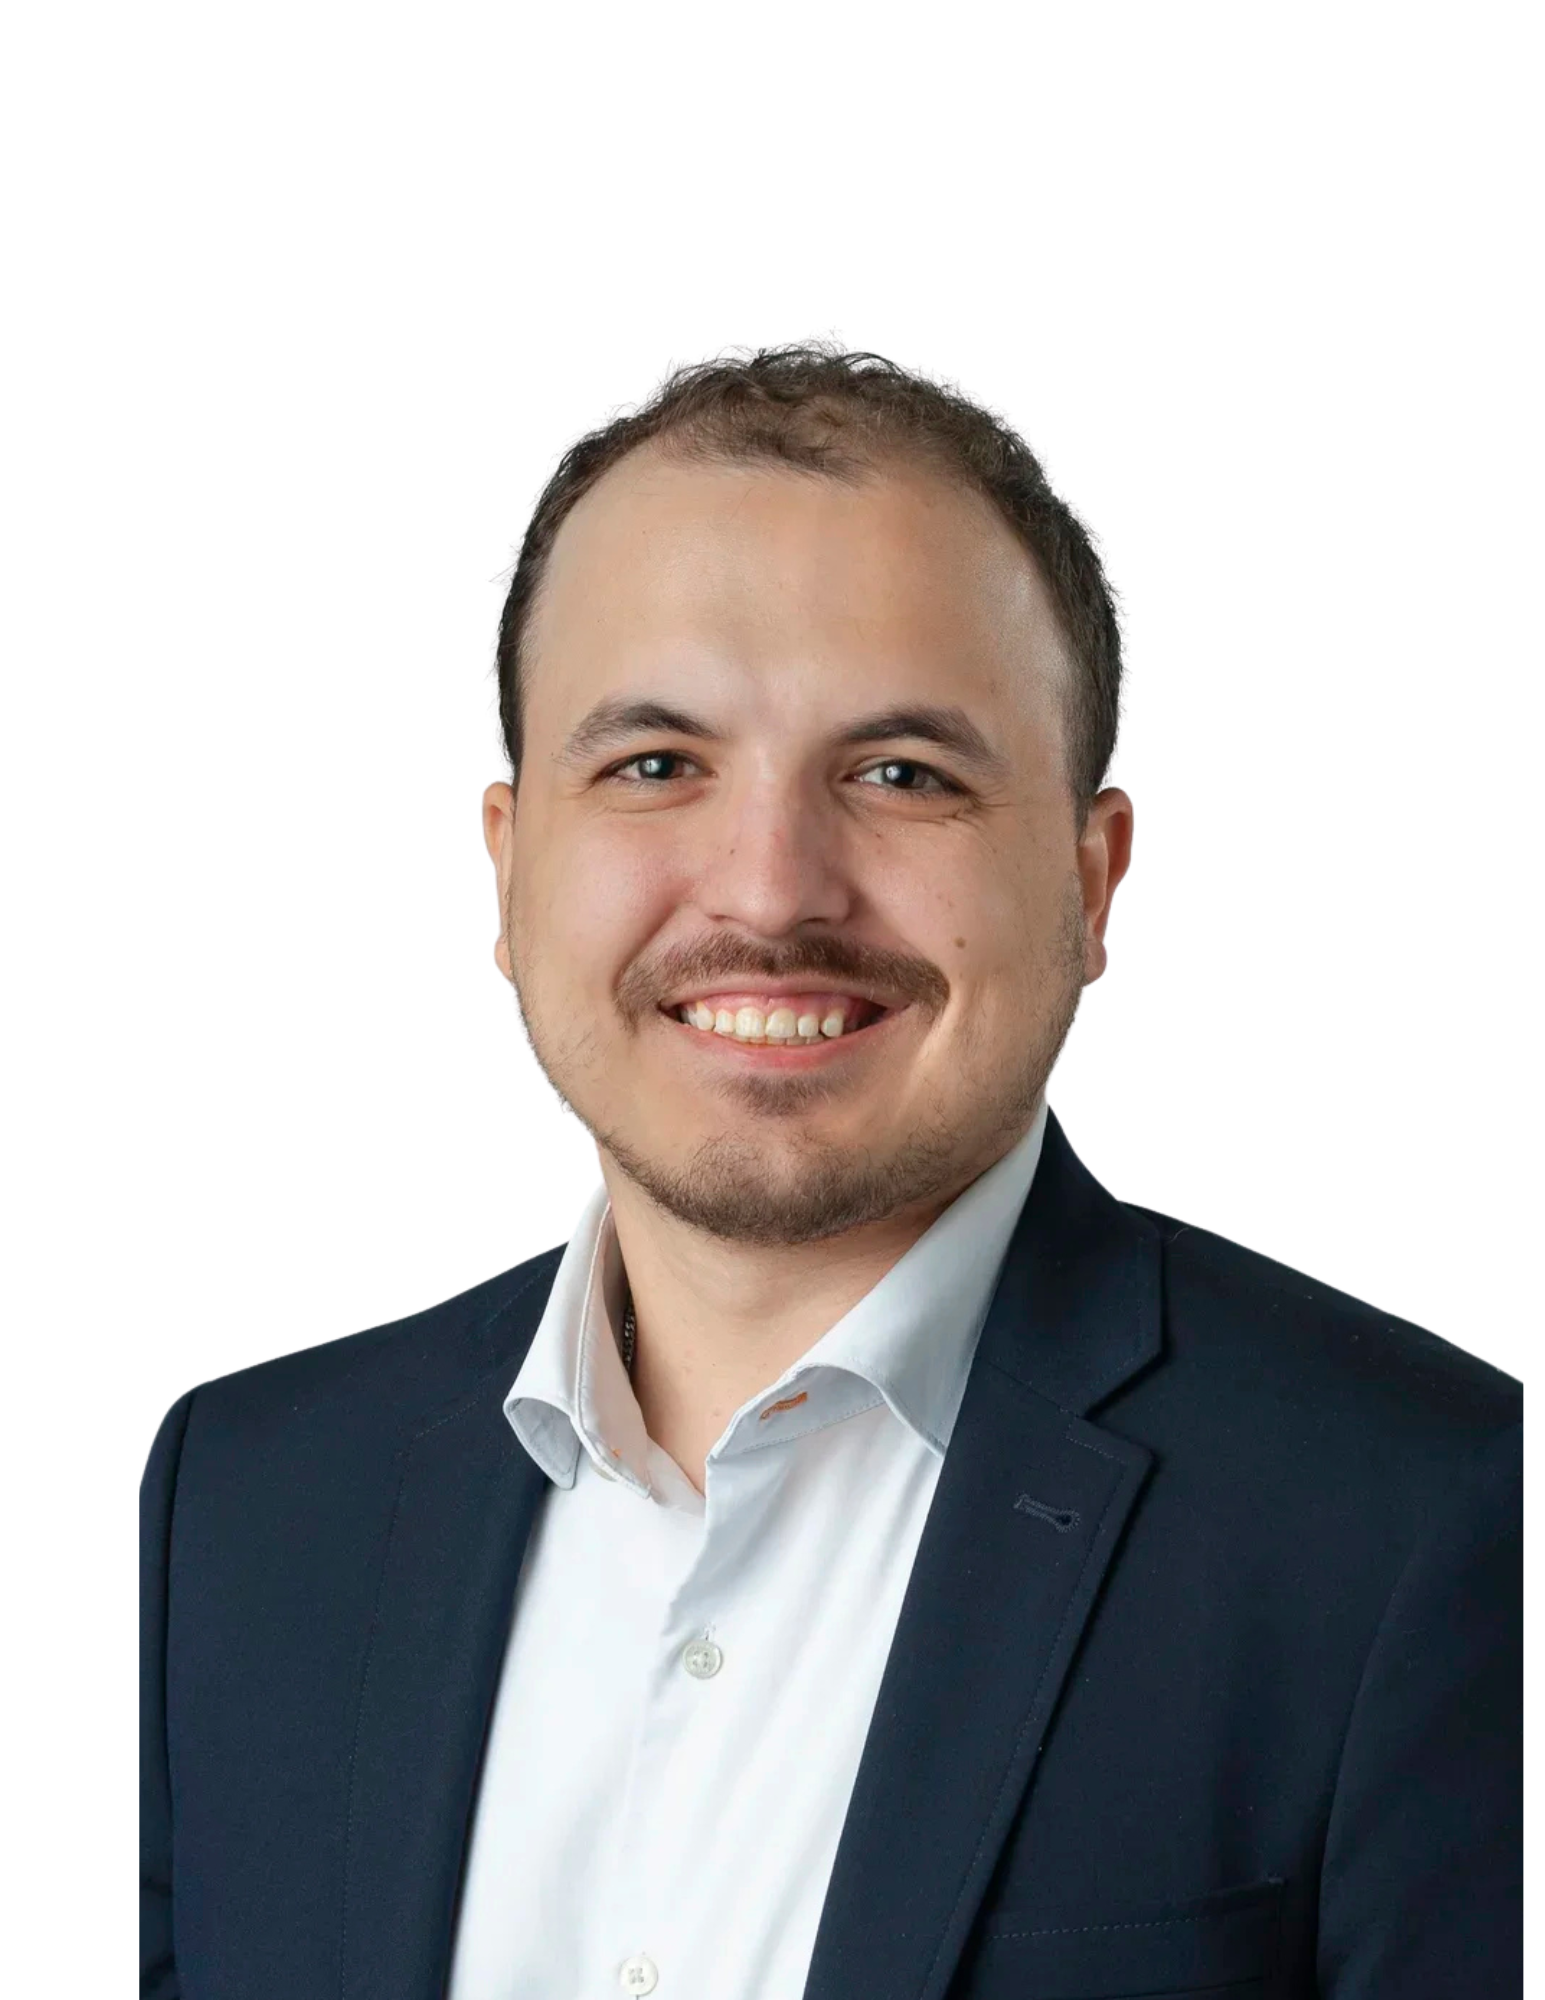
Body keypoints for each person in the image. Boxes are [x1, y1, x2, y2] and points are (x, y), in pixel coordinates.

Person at [140, 344, 1521, 2000]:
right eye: (656, 764)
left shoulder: (1435, 1520)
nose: (772, 887)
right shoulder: (240, 1511)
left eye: (902, 775)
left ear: (1091, 882)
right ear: (510, 871)